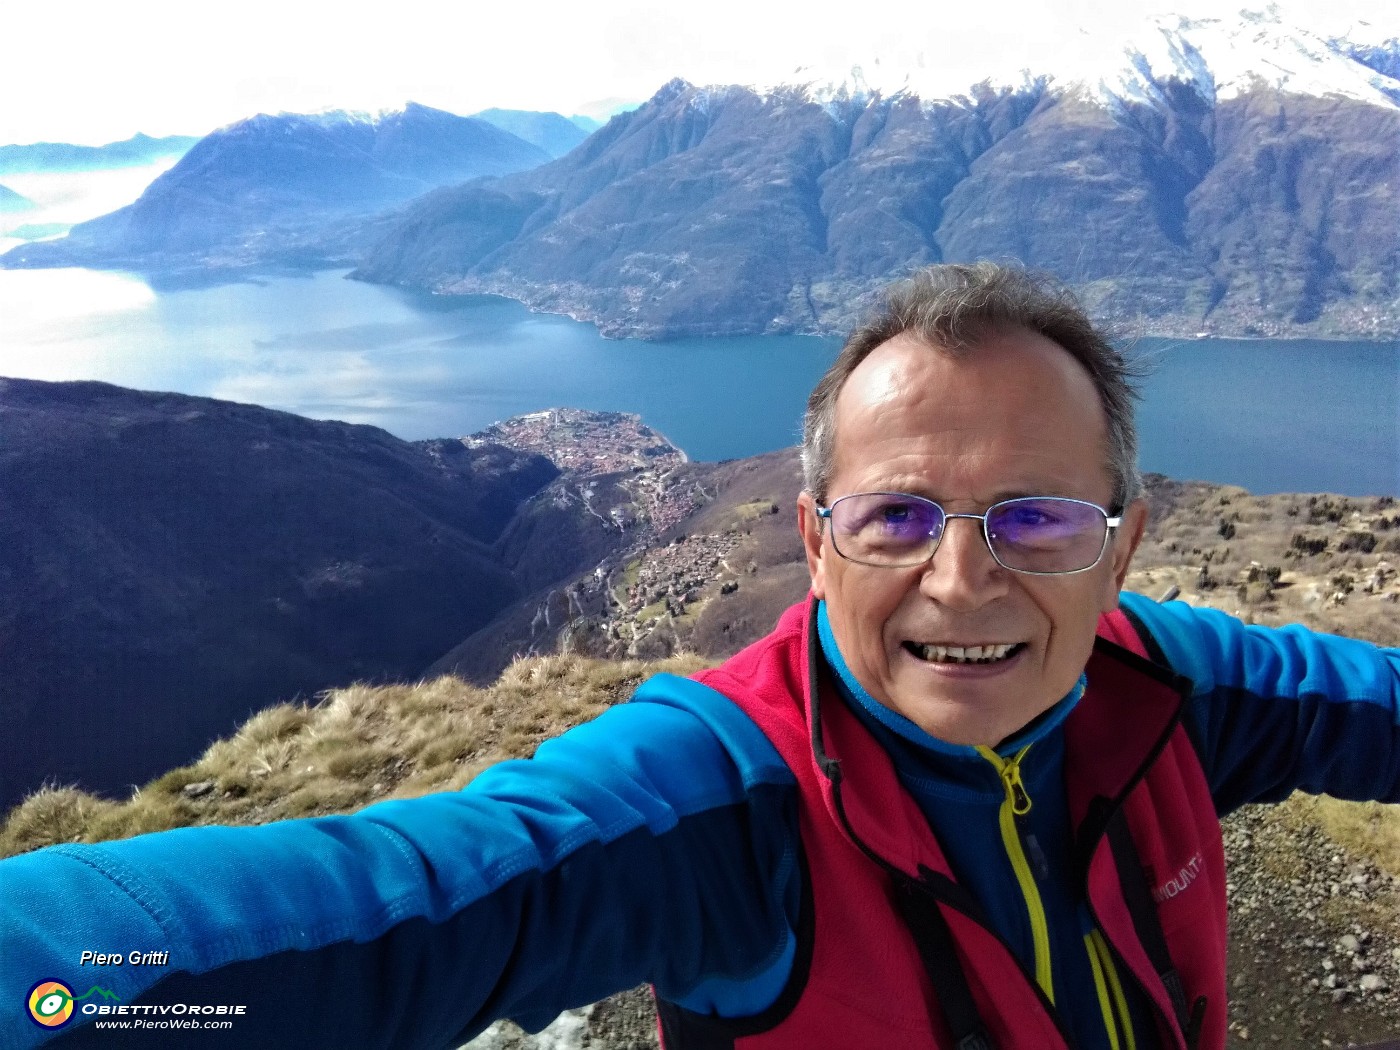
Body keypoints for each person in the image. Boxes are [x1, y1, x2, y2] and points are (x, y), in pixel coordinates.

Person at [3, 263, 1397, 1050]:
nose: (962, 574)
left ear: (1123, 542)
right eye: (895, 514)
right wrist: (46, 976)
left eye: (1035, 517)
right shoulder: (721, 801)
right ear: (812, 535)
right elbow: (388, 904)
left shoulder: (1176, 688)